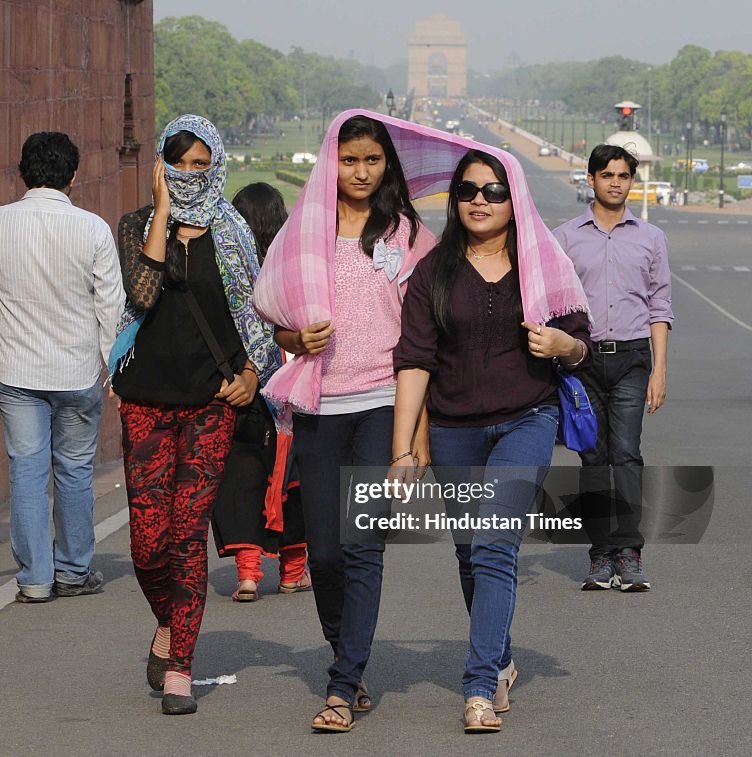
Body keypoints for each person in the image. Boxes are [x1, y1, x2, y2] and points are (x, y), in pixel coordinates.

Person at [392, 149, 592, 733]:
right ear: (454, 200)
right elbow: (414, 361)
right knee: (468, 553)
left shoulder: (541, 261)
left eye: (494, 190)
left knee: (495, 545)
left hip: (527, 418)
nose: (480, 200)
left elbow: (581, 342)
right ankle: (501, 657)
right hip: (454, 430)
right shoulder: (432, 271)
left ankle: (478, 685)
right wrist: (404, 448)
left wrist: (562, 347)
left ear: (515, 199)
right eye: (469, 190)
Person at [254, 112, 437, 733]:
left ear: (388, 165)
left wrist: (415, 439)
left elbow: (425, 339)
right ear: (332, 162)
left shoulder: (408, 236)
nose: (361, 172)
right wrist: (293, 335)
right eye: (350, 160)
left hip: (383, 405)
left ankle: (342, 683)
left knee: (363, 550)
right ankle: (347, 657)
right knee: (326, 555)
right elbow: (271, 315)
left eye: (373, 161)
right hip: (319, 407)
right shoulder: (303, 233)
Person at [109, 115, 281, 715]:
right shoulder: (135, 227)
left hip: (211, 405)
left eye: (200, 164)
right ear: (160, 164)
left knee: (187, 539)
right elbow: (143, 294)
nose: (189, 174)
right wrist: (162, 212)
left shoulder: (232, 233)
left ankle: (181, 664)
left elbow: (257, 314)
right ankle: (167, 622)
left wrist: (253, 375)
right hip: (145, 405)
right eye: (178, 162)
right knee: (145, 544)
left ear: (217, 167)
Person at [0, 131, 125, 603]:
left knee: (27, 470)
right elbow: (111, 305)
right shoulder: (93, 229)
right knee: (75, 468)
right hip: (78, 369)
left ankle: (35, 579)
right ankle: (72, 569)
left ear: (22, 171)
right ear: (73, 175)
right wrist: (116, 367)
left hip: (18, 371)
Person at [553, 144, 673, 592]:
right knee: (592, 458)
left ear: (631, 181)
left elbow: (660, 306)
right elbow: (554, 304)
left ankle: (630, 551)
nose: (616, 182)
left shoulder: (650, 238)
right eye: (607, 175)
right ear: (591, 180)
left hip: (632, 358)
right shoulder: (565, 237)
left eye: (623, 175)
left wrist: (659, 370)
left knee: (626, 455)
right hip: (581, 361)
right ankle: (600, 554)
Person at [212, 182, 309, 602]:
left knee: (241, 478)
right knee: (296, 481)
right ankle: (292, 572)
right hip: (292, 391)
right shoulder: (293, 268)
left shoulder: (226, 267)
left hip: (239, 388)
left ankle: (249, 574)